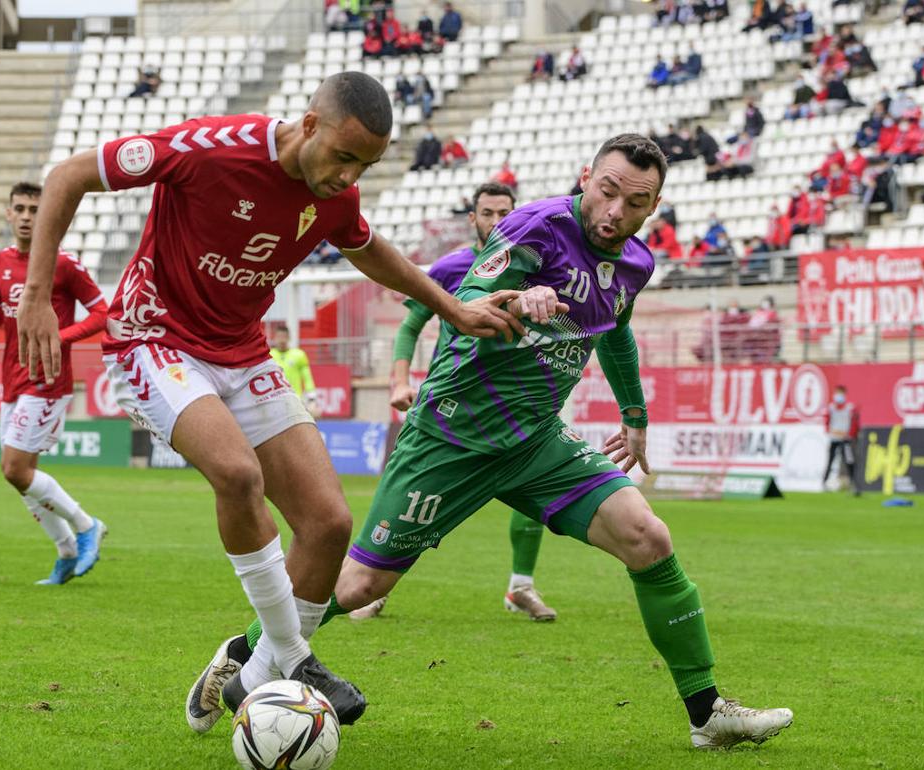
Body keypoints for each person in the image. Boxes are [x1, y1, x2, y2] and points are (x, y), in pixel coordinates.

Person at [214, 134, 795, 750]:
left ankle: (708, 714)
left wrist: (634, 413)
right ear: (586, 178)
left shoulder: (637, 264)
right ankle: (240, 653)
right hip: (452, 435)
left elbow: (615, 329)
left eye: (635, 202)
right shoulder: (534, 228)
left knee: (648, 537)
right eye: (607, 191)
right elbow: (461, 301)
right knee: (359, 587)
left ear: (654, 207)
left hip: (535, 440)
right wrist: (521, 295)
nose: (614, 212)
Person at [14, 72, 522, 733]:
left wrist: (452, 308)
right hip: (153, 339)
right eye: (343, 156)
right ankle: (296, 658)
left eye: (364, 165)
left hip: (242, 352)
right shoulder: (209, 149)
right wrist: (35, 295)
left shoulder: (334, 195)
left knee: (329, 524)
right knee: (237, 473)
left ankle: (250, 673)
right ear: (309, 125)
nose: (348, 176)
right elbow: (68, 174)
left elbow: (368, 249)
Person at [353, 182, 558, 622]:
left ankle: (522, 585)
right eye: (487, 212)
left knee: (538, 493)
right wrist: (399, 381)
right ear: (473, 218)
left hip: (515, 403)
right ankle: (373, 580)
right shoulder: (454, 266)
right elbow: (411, 326)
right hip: (450, 404)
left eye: (504, 211)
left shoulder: (536, 268)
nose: (496, 220)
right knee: (412, 502)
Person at [0, 182, 109, 585]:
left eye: (36, 209)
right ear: (9, 214)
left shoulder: (63, 263)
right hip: (12, 380)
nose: (28, 216)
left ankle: (86, 526)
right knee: (19, 474)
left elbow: (102, 312)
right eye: (21, 209)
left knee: (15, 470)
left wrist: (60, 337)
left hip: (47, 379)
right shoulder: (3, 260)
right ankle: (66, 551)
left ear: (46, 214)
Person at [268, 326, 319, 415]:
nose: (282, 340)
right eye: (279, 337)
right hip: (275, 401)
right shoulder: (269, 356)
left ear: (289, 338)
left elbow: (307, 378)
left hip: (295, 400)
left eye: (284, 337)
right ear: (275, 338)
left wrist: (312, 399)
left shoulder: (299, 355)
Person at [823, 385, 860, 495]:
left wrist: (849, 434)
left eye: (840, 394)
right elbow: (826, 423)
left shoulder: (849, 408)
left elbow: (854, 423)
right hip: (834, 439)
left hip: (845, 440)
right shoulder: (831, 408)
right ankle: (824, 482)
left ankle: (853, 483)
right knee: (830, 461)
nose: (838, 396)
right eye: (837, 393)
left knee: (849, 461)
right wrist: (831, 432)